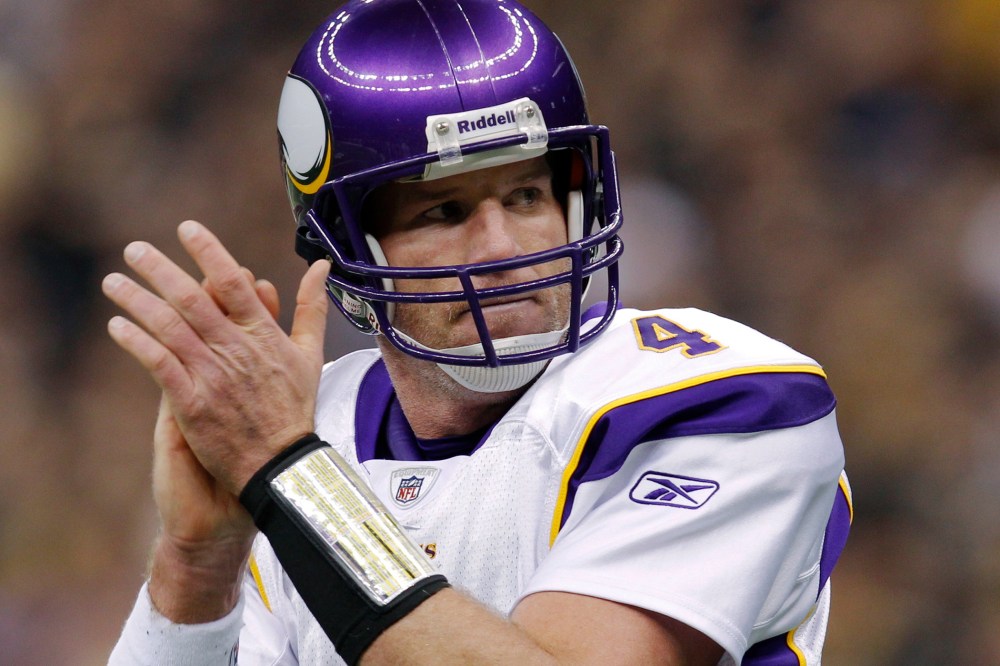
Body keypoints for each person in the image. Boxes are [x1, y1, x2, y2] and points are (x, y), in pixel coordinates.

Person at [104, 0, 852, 664]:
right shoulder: (299, 427)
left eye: (527, 194)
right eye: (443, 212)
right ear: (349, 249)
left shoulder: (724, 398)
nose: (501, 248)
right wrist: (198, 567)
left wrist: (297, 482)